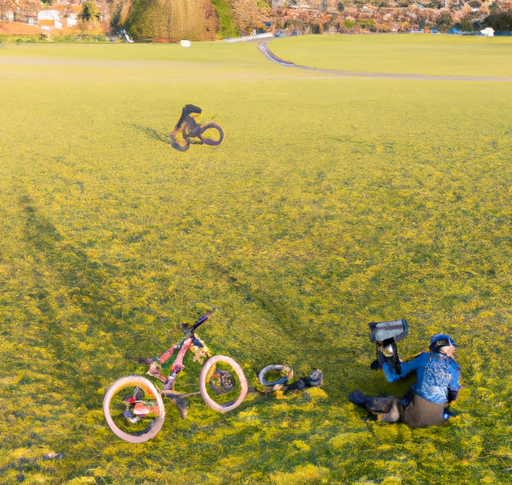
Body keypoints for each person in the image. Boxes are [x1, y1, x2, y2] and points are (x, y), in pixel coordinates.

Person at [349, 334, 461, 428]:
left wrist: (386, 360)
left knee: (391, 404)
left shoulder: (425, 357)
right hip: (437, 420)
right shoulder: (455, 368)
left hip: (415, 417)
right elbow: (453, 395)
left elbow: (394, 375)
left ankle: (365, 403)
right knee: (415, 388)